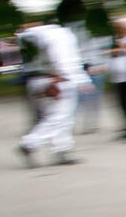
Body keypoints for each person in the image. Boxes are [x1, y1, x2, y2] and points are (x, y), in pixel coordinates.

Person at [15, 15, 92, 166]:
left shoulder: (28, 35)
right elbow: (63, 58)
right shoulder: (59, 34)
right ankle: (30, 144)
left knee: (55, 116)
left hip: (34, 79)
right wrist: (78, 78)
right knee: (60, 117)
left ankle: (61, 149)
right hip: (55, 79)